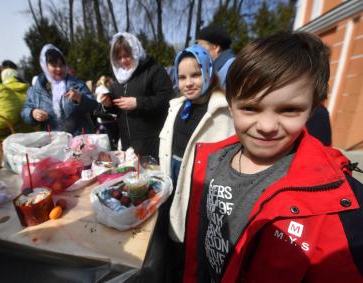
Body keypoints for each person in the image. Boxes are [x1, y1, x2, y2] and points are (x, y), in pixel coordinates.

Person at [181, 32, 363, 282]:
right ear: (230, 104)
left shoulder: (337, 206)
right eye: (251, 108)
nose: (267, 126)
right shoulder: (213, 160)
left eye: (289, 110)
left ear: (312, 109)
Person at [153, 44, 235, 282]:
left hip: (198, 186)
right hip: (172, 177)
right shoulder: (177, 107)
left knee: (190, 240)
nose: (188, 83)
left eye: (196, 75)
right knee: (170, 232)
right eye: (182, 77)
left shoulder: (221, 112)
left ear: (209, 72)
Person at [101, 32, 173, 159]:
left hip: (152, 143)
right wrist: (109, 104)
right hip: (128, 145)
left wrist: (138, 103)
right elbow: (119, 110)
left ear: (135, 51)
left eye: (127, 55)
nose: (123, 61)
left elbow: (167, 99)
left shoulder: (153, 70)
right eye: (119, 57)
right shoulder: (119, 79)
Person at [21, 44, 98, 135]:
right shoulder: (36, 90)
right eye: (54, 65)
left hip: (80, 140)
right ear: (45, 66)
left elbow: (93, 105)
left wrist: (80, 98)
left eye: (61, 65)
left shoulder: (77, 83)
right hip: (53, 141)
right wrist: (32, 113)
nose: (59, 69)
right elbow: (25, 111)